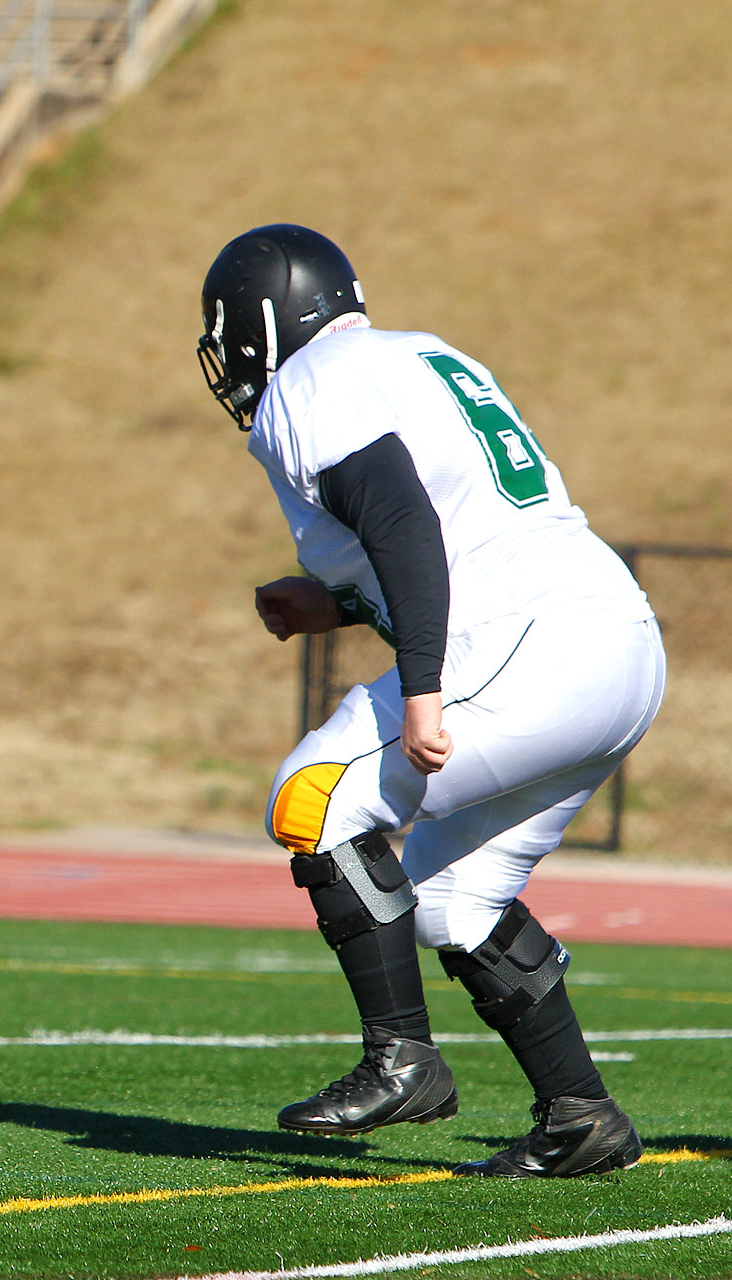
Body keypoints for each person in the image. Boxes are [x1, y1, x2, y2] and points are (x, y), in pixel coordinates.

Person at [198, 224, 663, 1177]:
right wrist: (329, 603)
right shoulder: (423, 354)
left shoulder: (307, 384)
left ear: (258, 325)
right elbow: (457, 530)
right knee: (456, 898)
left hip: (529, 646)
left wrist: (421, 694)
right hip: (614, 641)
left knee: (315, 798)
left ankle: (401, 1058)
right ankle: (583, 1118)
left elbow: (404, 522)